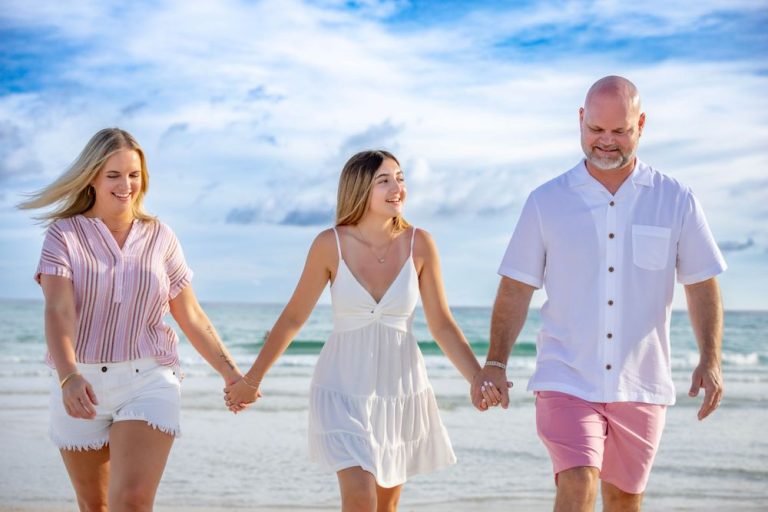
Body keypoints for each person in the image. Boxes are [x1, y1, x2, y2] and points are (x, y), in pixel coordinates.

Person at [471, 76, 727, 512]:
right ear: (580, 121)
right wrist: (495, 362)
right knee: (577, 484)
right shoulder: (546, 201)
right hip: (566, 376)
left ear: (641, 124)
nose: (606, 142)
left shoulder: (676, 199)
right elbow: (516, 287)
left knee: (624, 501)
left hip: (641, 382)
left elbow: (702, 284)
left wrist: (711, 358)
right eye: (595, 130)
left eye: (619, 131)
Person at [224, 150, 486, 511]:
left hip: (400, 392)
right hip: (342, 388)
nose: (398, 188)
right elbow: (293, 317)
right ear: (360, 188)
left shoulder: (420, 244)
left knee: (385, 506)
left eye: (400, 178)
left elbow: (442, 324)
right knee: (360, 498)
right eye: (385, 180)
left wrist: (478, 378)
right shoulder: (329, 244)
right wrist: (252, 380)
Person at [18, 128, 245, 511]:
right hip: (80, 382)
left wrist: (232, 374)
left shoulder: (161, 236)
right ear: (91, 177)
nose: (126, 185)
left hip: (149, 379)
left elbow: (189, 313)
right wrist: (68, 375)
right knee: (95, 505)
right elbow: (59, 310)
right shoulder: (64, 235)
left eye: (134, 175)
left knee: (134, 502)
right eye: (114, 175)